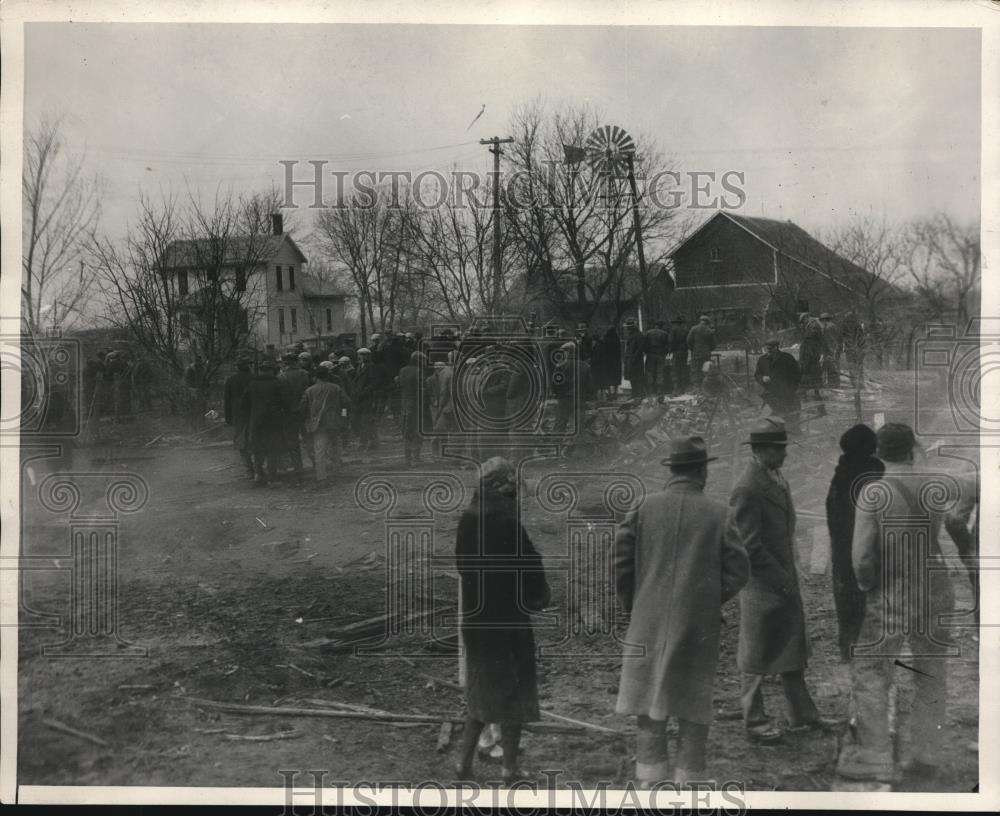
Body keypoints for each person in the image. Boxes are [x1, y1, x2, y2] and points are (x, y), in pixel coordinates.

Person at [614, 436, 749, 788]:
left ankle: (649, 779)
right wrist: (707, 599)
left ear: (672, 471)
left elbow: (621, 563)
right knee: (692, 703)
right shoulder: (720, 514)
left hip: (646, 621)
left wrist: (636, 604)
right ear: (702, 471)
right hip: (697, 624)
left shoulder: (643, 508)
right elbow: (738, 571)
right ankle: (690, 784)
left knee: (649, 703)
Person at [837, 423, 958, 784]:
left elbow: (861, 557)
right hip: (934, 588)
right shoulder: (934, 486)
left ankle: (874, 756)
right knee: (930, 673)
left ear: (877, 452)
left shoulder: (873, 492)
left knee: (872, 670)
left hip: (892, 590)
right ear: (911, 449)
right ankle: (927, 752)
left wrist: (866, 585)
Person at [730, 417, 841, 743]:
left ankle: (802, 714)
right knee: (755, 656)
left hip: (782, 577)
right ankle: (754, 721)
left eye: (783, 448)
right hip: (761, 585)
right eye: (778, 450)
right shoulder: (748, 487)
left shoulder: (774, 477)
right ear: (760, 450)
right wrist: (781, 578)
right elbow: (748, 546)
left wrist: (789, 573)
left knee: (792, 648)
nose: (784, 455)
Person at [453, 457, 550, 783]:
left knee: (481, 695)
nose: (516, 492)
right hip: (507, 622)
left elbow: (463, 566)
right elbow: (529, 566)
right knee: (514, 696)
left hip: (476, 622)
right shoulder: (507, 522)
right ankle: (510, 769)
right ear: (501, 487)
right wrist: (538, 596)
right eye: (512, 485)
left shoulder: (468, 518)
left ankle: (464, 764)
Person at [825, 424, 885, 662]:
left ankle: (847, 647)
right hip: (867, 545)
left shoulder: (840, 473)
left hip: (841, 547)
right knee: (869, 598)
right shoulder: (874, 471)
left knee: (846, 596)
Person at [299, 367, 350, 481]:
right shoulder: (336, 387)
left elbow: (302, 409)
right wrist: (343, 416)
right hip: (334, 422)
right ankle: (336, 470)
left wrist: (308, 420)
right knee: (336, 445)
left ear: (315, 377)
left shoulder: (309, 390)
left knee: (320, 450)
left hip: (318, 424)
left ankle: (321, 477)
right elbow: (346, 403)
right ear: (327, 375)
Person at [241, 359, 286, 486]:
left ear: (260, 371)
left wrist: (251, 415)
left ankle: (258, 475)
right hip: (273, 422)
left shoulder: (252, 384)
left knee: (258, 449)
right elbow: (285, 401)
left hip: (256, 421)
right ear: (272, 371)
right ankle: (272, 478)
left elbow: (244, 403)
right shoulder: (277, 383)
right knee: (273, 449)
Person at [754, 338, 802, 434]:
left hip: (787, 395)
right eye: (767, 348)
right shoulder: (762, 360)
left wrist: (791, 390)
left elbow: (797, 375)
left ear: (777, 347)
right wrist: (762, 378)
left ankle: (795, 436)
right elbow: (757, 374)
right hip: (770, 395)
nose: (769, 350)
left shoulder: (787, 358)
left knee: (791, 418)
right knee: (766, 420)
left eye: (771, 348)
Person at [278, 352, 310, 478]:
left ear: (285, 363)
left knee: (293, 441)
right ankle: (317, 464)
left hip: (289, 413)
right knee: (309, 438)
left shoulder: (281, 377)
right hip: (305, 411)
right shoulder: (305, 374)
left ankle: (298, 468)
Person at [398, 351, 431, 466]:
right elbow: (422, 391)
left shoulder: (402, 370)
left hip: (405, 404)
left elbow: (399, 386)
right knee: (417, 431)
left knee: (407, 432)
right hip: (417, 406)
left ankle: (407, 458)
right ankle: (416, 457)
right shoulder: (419, 372)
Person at [223, 358, 255, 479]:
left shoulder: (231, 380)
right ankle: (258, 468)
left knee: (241, 443)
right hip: (253, 414)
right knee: (255, 440)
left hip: (238, 416)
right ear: (248, 366)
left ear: (237, 367)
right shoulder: (254, 378)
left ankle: (249, 469)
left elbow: (227, 401)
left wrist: (228, 418)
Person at [351, 348, 379, 451]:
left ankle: (363, 443)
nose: (361, 357)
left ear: (368, 356)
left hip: (367, 398)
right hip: (359, 398)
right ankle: (373, 440)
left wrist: (364, 392)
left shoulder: (371, 367)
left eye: (364, 355)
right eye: (360, 354)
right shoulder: (359, 366)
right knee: (359, 421)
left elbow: (373, 383)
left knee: (365, 421)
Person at [643, 320, 671, 397]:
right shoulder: (665, 334)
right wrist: (664, 353)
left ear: (655, 325)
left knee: (650, 372)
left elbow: (644, 344)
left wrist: (647, 352)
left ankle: (651, 390)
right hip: (660, 355)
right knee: (660, 371)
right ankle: (659, 390)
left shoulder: (648, 333)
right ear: (661, 326)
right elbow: (668, 345)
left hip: (651, 355)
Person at [797, 312, 824, 394]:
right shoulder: (811, 324)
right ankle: (814, 390)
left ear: (806, 318)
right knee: (811, 370)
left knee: (810, 369)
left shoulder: (814, 325)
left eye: (803, 321)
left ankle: (813, 390)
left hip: (812, 351)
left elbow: (813, 337)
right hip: (811, 350)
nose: (803, 323)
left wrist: (805, 342)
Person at [687, 314, 716, 389]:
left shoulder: (694, 329)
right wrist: (708, 349)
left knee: (695, 370)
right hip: (706, 354)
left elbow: (688, 341)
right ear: (707, 322)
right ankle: (705, 388)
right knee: (706, 370)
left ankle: (696, 388)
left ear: (700, 321)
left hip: (696, 353)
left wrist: (693, 349)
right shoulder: (710, 331)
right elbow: (714, 344)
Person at [623, 318, 646, 399]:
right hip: (631, 359)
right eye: (627, 326)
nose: (628, 328)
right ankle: (635, 394)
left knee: (638, 377)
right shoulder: (631, 335)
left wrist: (634, 357)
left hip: (636, 360)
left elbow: (641, 348)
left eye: (629, 326)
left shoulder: (639, 335)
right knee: (632, 377)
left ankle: (640, 394)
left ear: (633, 327)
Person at [820, 313, 843, 388]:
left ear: (824, 320)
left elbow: (828, 340)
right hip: (836, 349)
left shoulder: (827, 327)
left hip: (831, 350)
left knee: (831, 366)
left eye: (822, 320)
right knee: (834, 366)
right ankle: (835, 383)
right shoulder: (834, 326)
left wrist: (830, 351)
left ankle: (833, 384)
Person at [669, 317, 689, 393]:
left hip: (676, 352)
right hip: (684, 352)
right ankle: (683, 388)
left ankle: (676, 388)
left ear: (676, 323)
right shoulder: (685, 331)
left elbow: (671, 341)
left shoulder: (673, 330)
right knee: (683, 369)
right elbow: (688, 341)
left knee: (675, 370)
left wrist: (670, 350)